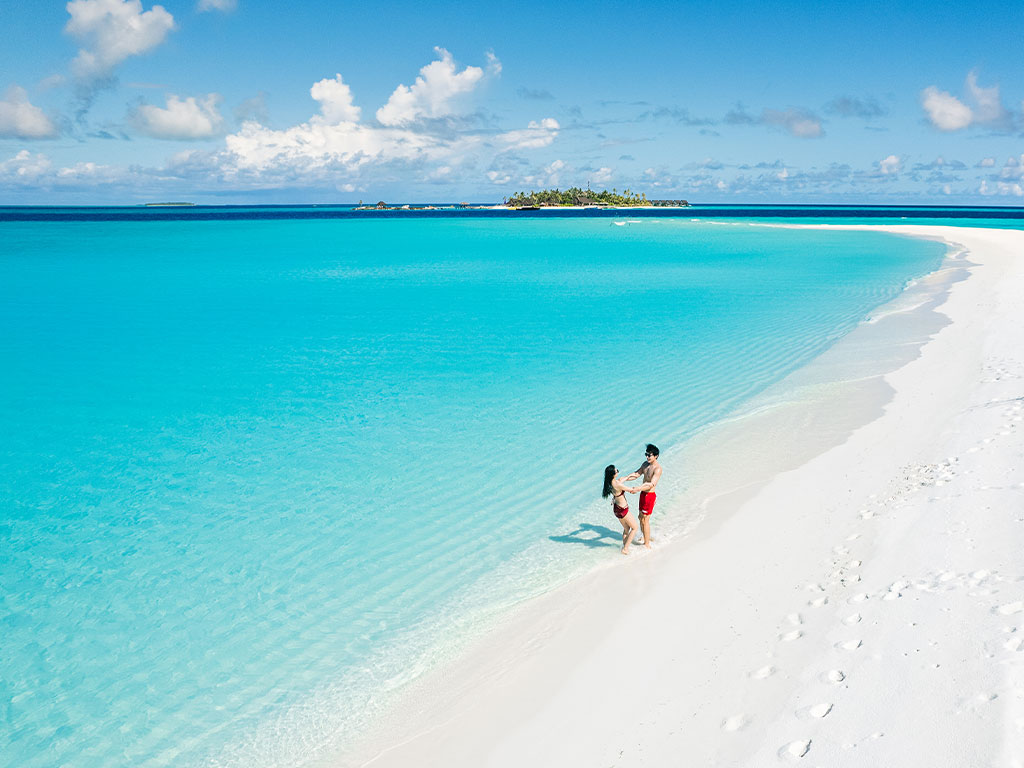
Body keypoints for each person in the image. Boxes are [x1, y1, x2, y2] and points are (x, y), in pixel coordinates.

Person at [626, 444, 662, 549]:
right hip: (643, 494)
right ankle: (644, 536)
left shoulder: (658, 469)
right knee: (640, 517)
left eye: (649, 455)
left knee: (645, 519)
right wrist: (624, 478)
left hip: (649, 495)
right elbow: (637, 474)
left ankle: (647, 544)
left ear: (656, 456)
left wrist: (637, 488)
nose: (647, 457)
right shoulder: (645, 464)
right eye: (646, 454)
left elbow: (651, 484)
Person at [602, 465, 639, 555]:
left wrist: (629, 476)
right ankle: (625, 549)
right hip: (623, 509)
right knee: (634, 528)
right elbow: (631, 490)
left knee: (626, 528)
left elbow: (621, 480)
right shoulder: (617, 485)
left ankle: (624, 545)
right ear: (613, 474)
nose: (618, 471)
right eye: (617, 471)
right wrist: (645, 487)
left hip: (616, 509)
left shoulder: (610, 482)